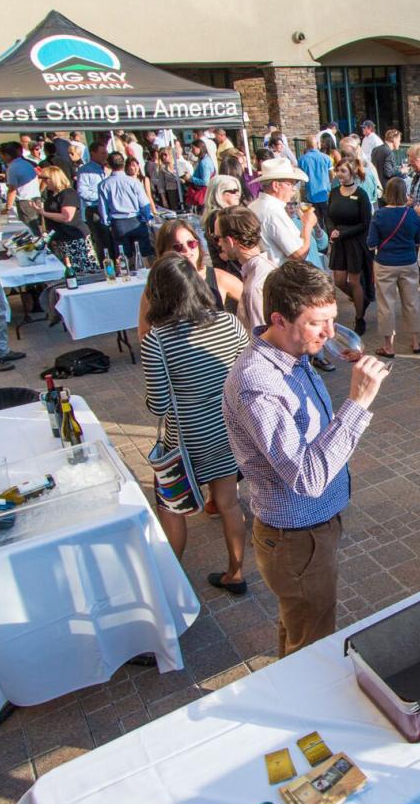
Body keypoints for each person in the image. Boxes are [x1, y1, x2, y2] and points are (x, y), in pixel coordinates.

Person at [223, 261, 390, 656]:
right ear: (278, 320)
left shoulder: (292, 352)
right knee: (312, 644)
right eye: (318, 323)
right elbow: (308, 478)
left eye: (333, 320)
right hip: (297, 536)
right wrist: (358, 402)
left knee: (297, 625)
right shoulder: (257, 383)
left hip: (311, 529)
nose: (330, 333)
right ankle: (307, 714)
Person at [141, 254, 250, 594]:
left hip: (185, 441)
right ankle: (236, 573)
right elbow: (248, 372)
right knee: (229, 504)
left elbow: (158, 404)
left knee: (171, 509)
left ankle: (170, 585)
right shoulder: (228, 324)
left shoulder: (156, 340)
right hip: (227, 431)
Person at [367, 177, 420, 358]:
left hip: (385, 263)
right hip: (408, 262)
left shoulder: (379, 215)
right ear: (404, 193)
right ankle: (415, 341)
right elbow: (419, 240)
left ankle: (388, 345)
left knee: (386, 304)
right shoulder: (412, 214)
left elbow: (371, 243)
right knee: (411, 302)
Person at [212, 206, 278, 335]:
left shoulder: (254, 286)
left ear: (230, 241)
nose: (218, 244)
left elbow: (261, 339)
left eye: (217, 238)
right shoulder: (267, 268)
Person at [327, 160, 373, 332]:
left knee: (354, 281)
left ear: (352, 173)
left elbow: (365, 222)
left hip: (355, 243)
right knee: (339, 281)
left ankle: (359, 317)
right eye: (338, 170)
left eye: (343, 171)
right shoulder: (333, 193)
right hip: (339, 243)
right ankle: (361, 299)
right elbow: (328, 215)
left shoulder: (361, 195)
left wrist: (343, 233)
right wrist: (331, 230)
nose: (339, 174)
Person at [249, 157, 319, 266]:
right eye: (290, 184)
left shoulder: (254, 206)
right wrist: (308, 224)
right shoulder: (273, 211)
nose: (294, 189)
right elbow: (299, 254)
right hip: (281, 275)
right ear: (276, 186)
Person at [36, 165, 100, 274]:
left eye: (46, 179)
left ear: (54, 178)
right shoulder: (52, 195)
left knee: (83, 268)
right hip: (61, 237)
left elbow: (67, 217)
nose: (44, 182)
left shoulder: (68, 194)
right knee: (69, 268)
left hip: (74, 236)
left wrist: (44, 213)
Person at [98, 151, 155, 261]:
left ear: (109, 165)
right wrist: (147, 218)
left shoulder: (104, 185)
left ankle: (127, 276)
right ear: (123, 164)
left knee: (123, 257)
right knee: (144, 255)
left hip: (118, 223)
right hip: (136, 221)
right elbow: (144, 203)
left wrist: (106, 222)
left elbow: (102, 208)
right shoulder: (133, 182)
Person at [0, 141, 43, 235]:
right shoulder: (26, 163)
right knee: (37, 227)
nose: (1, 158)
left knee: (31, 230)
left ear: (7, 155)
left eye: (1, 155)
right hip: (36, 197)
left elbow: (12, 189)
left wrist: (7, 207)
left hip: (25, 201)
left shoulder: (13, 168)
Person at [298, 135, 333, 230]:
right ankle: (330, 240)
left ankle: (320, 241)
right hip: (325, 193)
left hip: (310, 194)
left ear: (307, 145)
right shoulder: (326, 158)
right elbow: (331, 175)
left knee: (315, 221)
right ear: (318, 144)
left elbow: (301, 177)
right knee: (328, 220)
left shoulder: (302, 160)